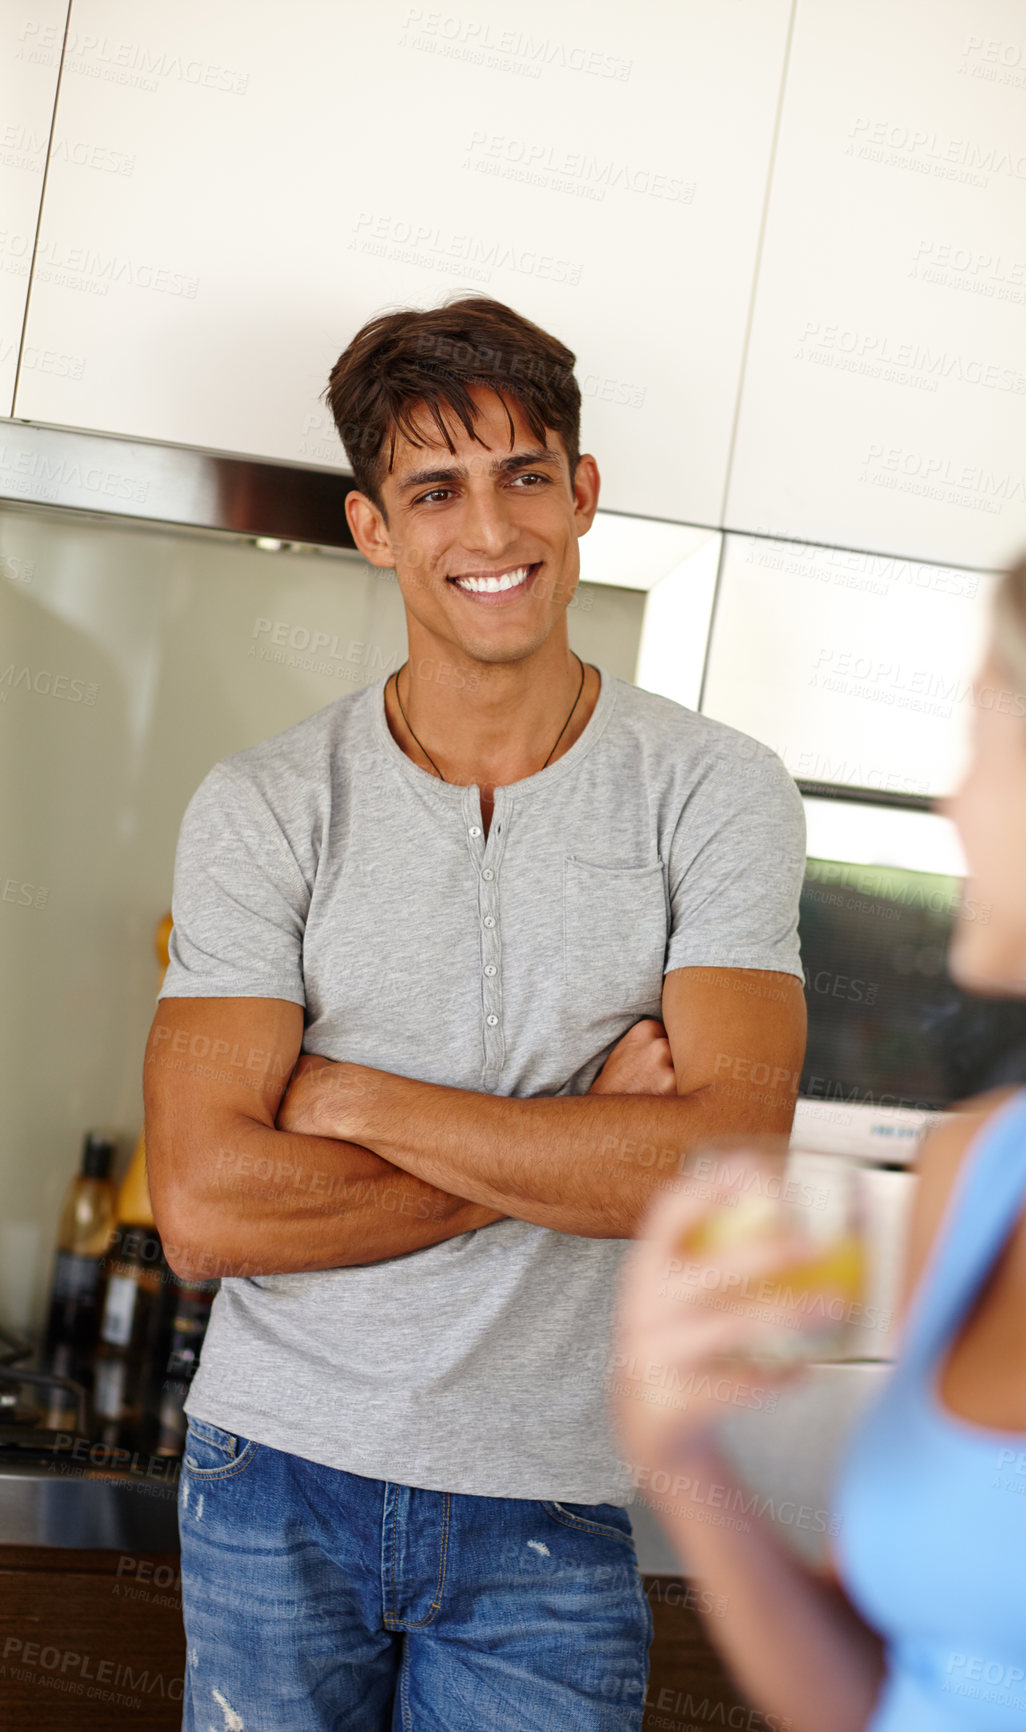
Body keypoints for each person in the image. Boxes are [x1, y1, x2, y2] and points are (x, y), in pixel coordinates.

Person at [143, 294, 809, 1730]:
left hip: (544, 1503)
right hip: (273, 1475)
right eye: (434, 490)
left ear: (579, 493)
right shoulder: (265, 806)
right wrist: (580, 1147)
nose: (489, 533)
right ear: (373, 528)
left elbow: (721, 1168)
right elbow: (203, 1212)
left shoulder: (714, 793)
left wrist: (351, 1099)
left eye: (521, 475)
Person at [612, 530, 1026, 1731]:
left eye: (978, 737)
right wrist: (679, 1446)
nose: (952, 797)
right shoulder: (985, 1167)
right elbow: (874, 1688)